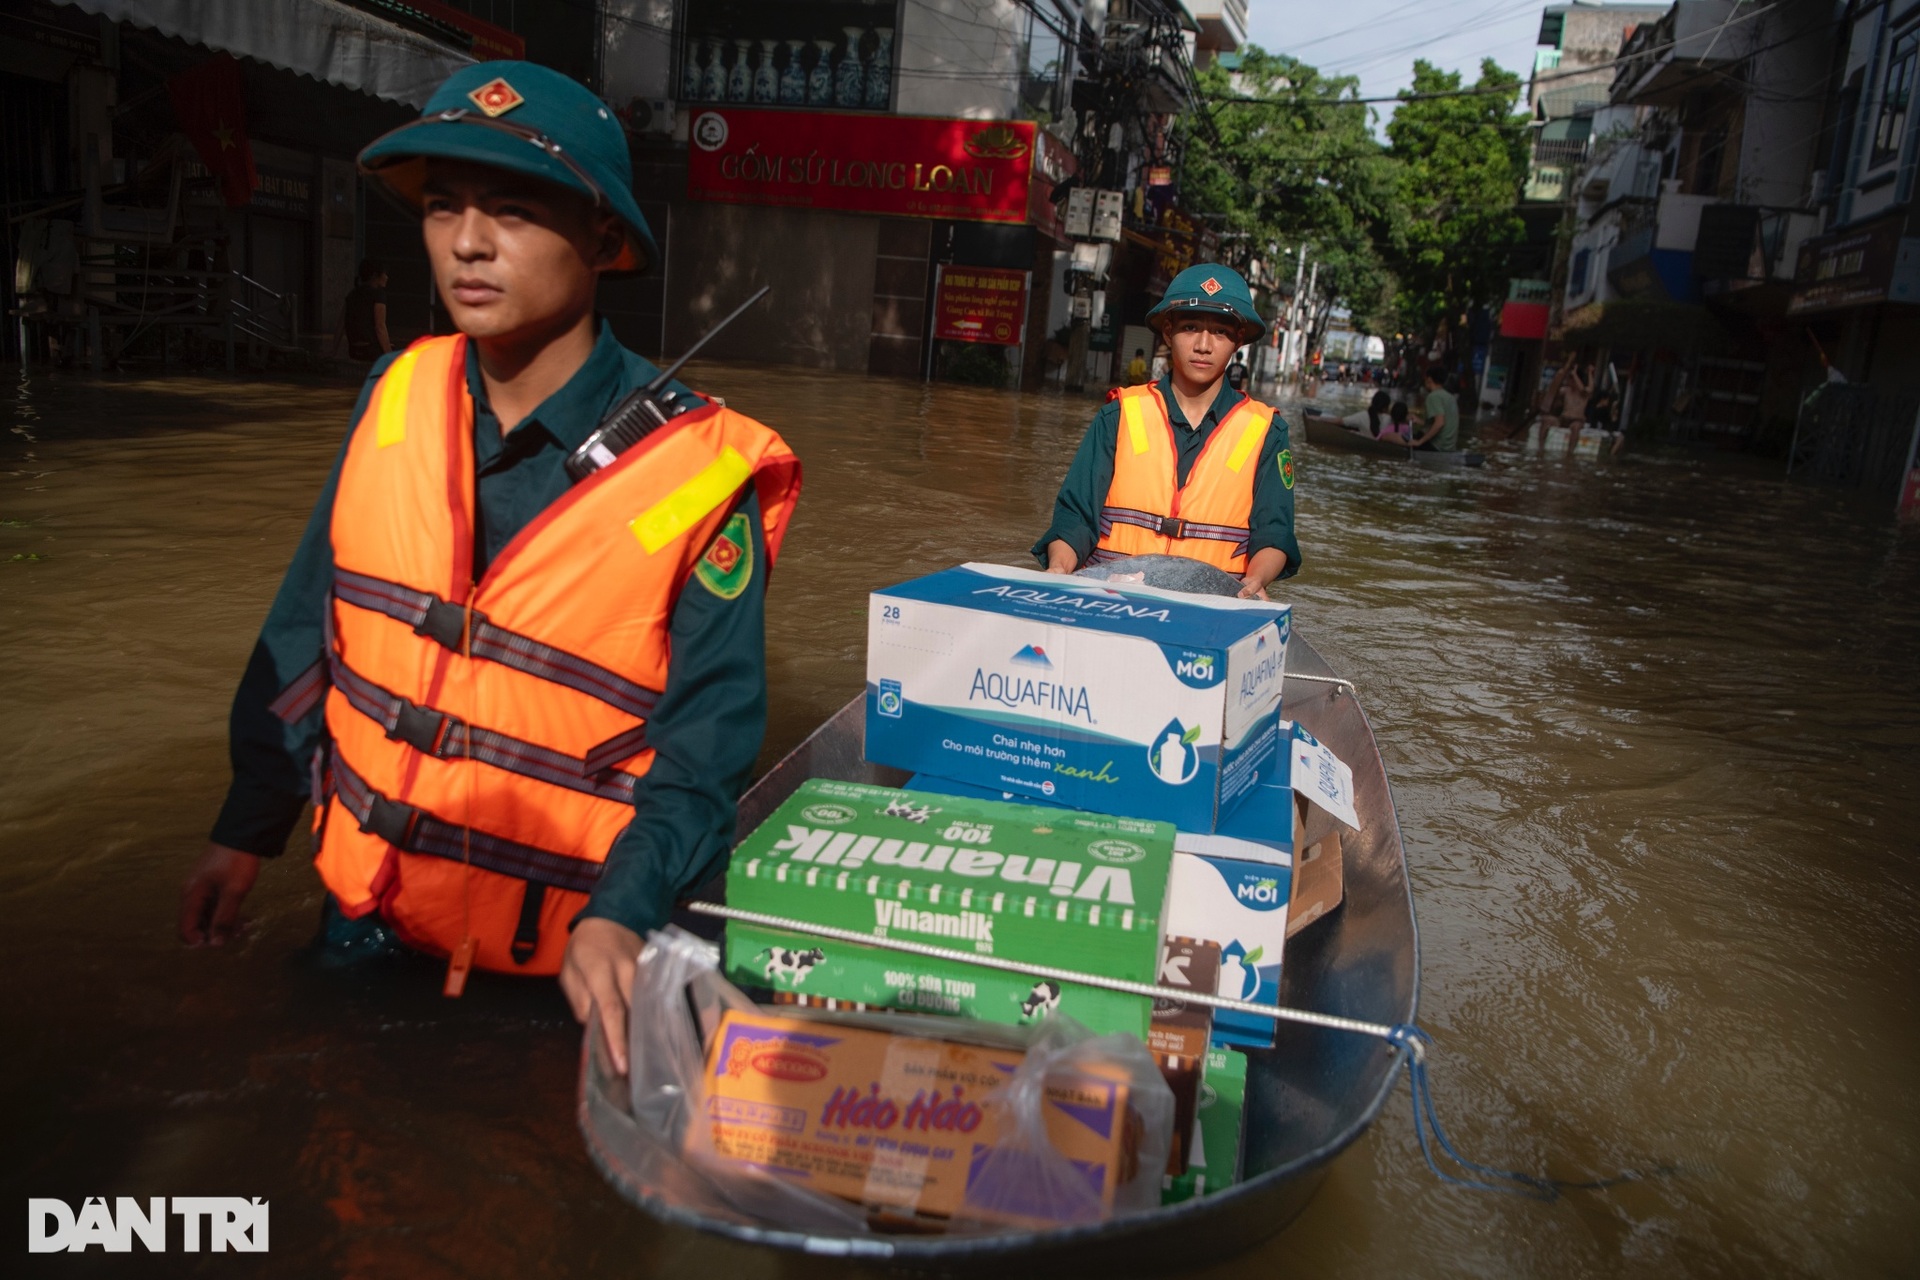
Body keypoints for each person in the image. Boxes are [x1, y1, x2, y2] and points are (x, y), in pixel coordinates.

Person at [176, 61, 802, 1075]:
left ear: (605, 240)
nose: (467, 242)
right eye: (442, 208)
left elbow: (708, 744)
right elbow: (309, 626)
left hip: (563, 963)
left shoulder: (699, 472)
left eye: (512, 210)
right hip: (361, 920)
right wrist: (248, 827)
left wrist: (624, 913)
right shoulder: (396, 393)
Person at [1034, 263, 1301, 599]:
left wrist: (1257, 580)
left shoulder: (1267, 431)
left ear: (1239, 340)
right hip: (1110, 597)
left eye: (1220, 332)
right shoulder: (1118, 415)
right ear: (1168, 332)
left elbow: (1274, 533)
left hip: (1215, 606)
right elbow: (1075, 516)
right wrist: (1059, 568)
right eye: (1190, 327)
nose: (1203, 345)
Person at [339, 259, 393, 361]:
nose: (387, 277)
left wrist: (333, 351)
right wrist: (389, 355)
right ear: (375, 276)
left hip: (354, 351)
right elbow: (380, 327)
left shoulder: (352, 294)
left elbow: (341, 325)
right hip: (370, 351)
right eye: (384, 274)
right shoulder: (378, 295)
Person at [1411, 364, 1460, 452]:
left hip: (1437, 446)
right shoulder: (1450, 397)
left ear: (1429, 379)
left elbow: (1440, 423)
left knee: (1402, 437)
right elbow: (1444, 423)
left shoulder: (1433, 396)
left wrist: (1419, 442)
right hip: (1450, 448)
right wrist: (1419, 421)